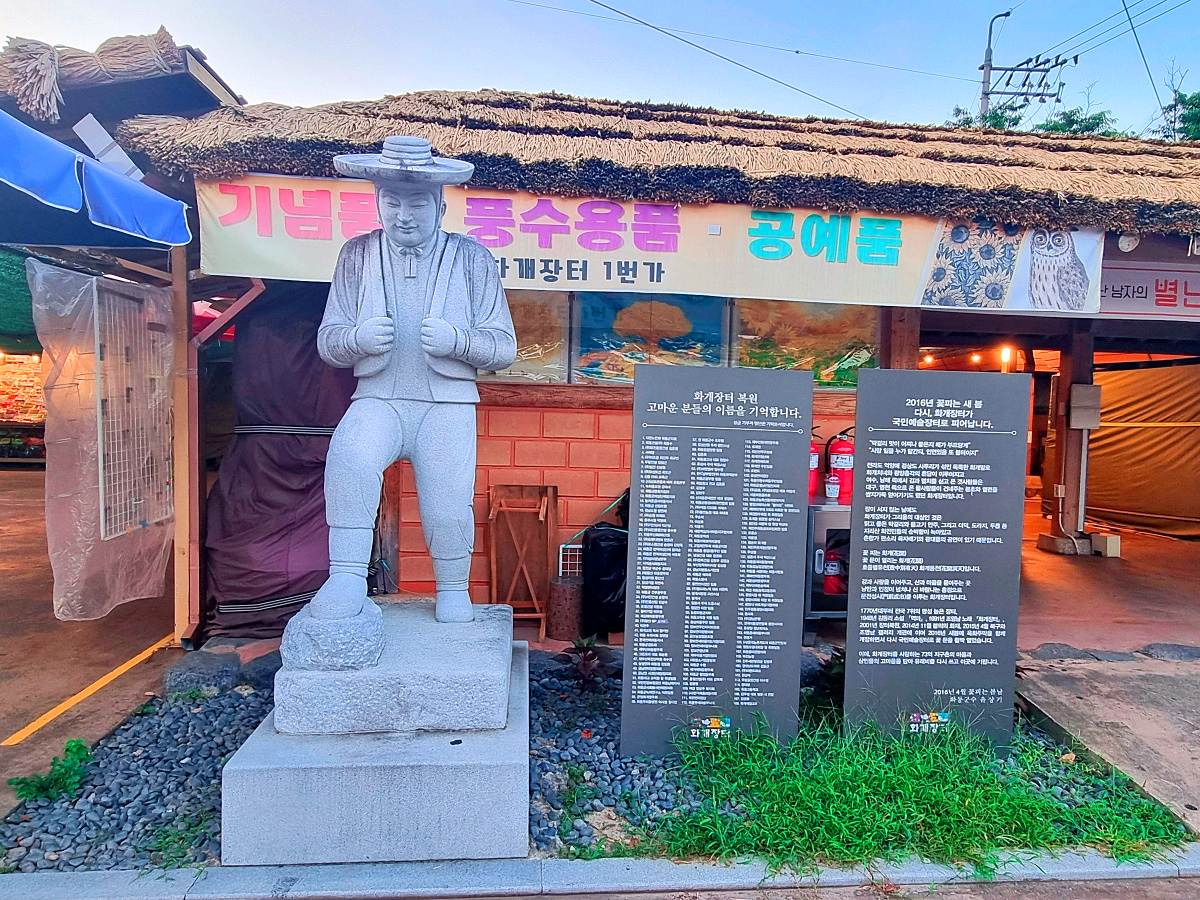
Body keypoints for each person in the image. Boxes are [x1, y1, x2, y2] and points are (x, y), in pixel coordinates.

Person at [311, 135, 516, 627]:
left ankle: (452, 588)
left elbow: (503, 346)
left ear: (440, 207)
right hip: (378, 396)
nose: (404, 214)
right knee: (350, 458)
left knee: (447, 506)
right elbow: (329, 341)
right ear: (378, 203)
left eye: (417, 203)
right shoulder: (357, 255)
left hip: (446, 404)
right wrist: (357, 338)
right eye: (392, 202)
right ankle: (344, 575)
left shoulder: (472, 258)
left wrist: (459, 342)